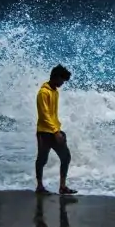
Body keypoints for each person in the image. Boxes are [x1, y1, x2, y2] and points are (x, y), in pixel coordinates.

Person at [35, 64, 77, 195]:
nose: (63, 83)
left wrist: (58, 129)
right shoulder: (43, 92)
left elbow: (53, 115)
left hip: (54, 130)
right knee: (42, 159)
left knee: (66, 157)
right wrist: (56, 131)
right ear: (56, 77)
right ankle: (40, 186)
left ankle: (62, 187)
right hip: (44, 132)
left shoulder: (55, 92)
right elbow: (44, 114)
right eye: (62, 80)